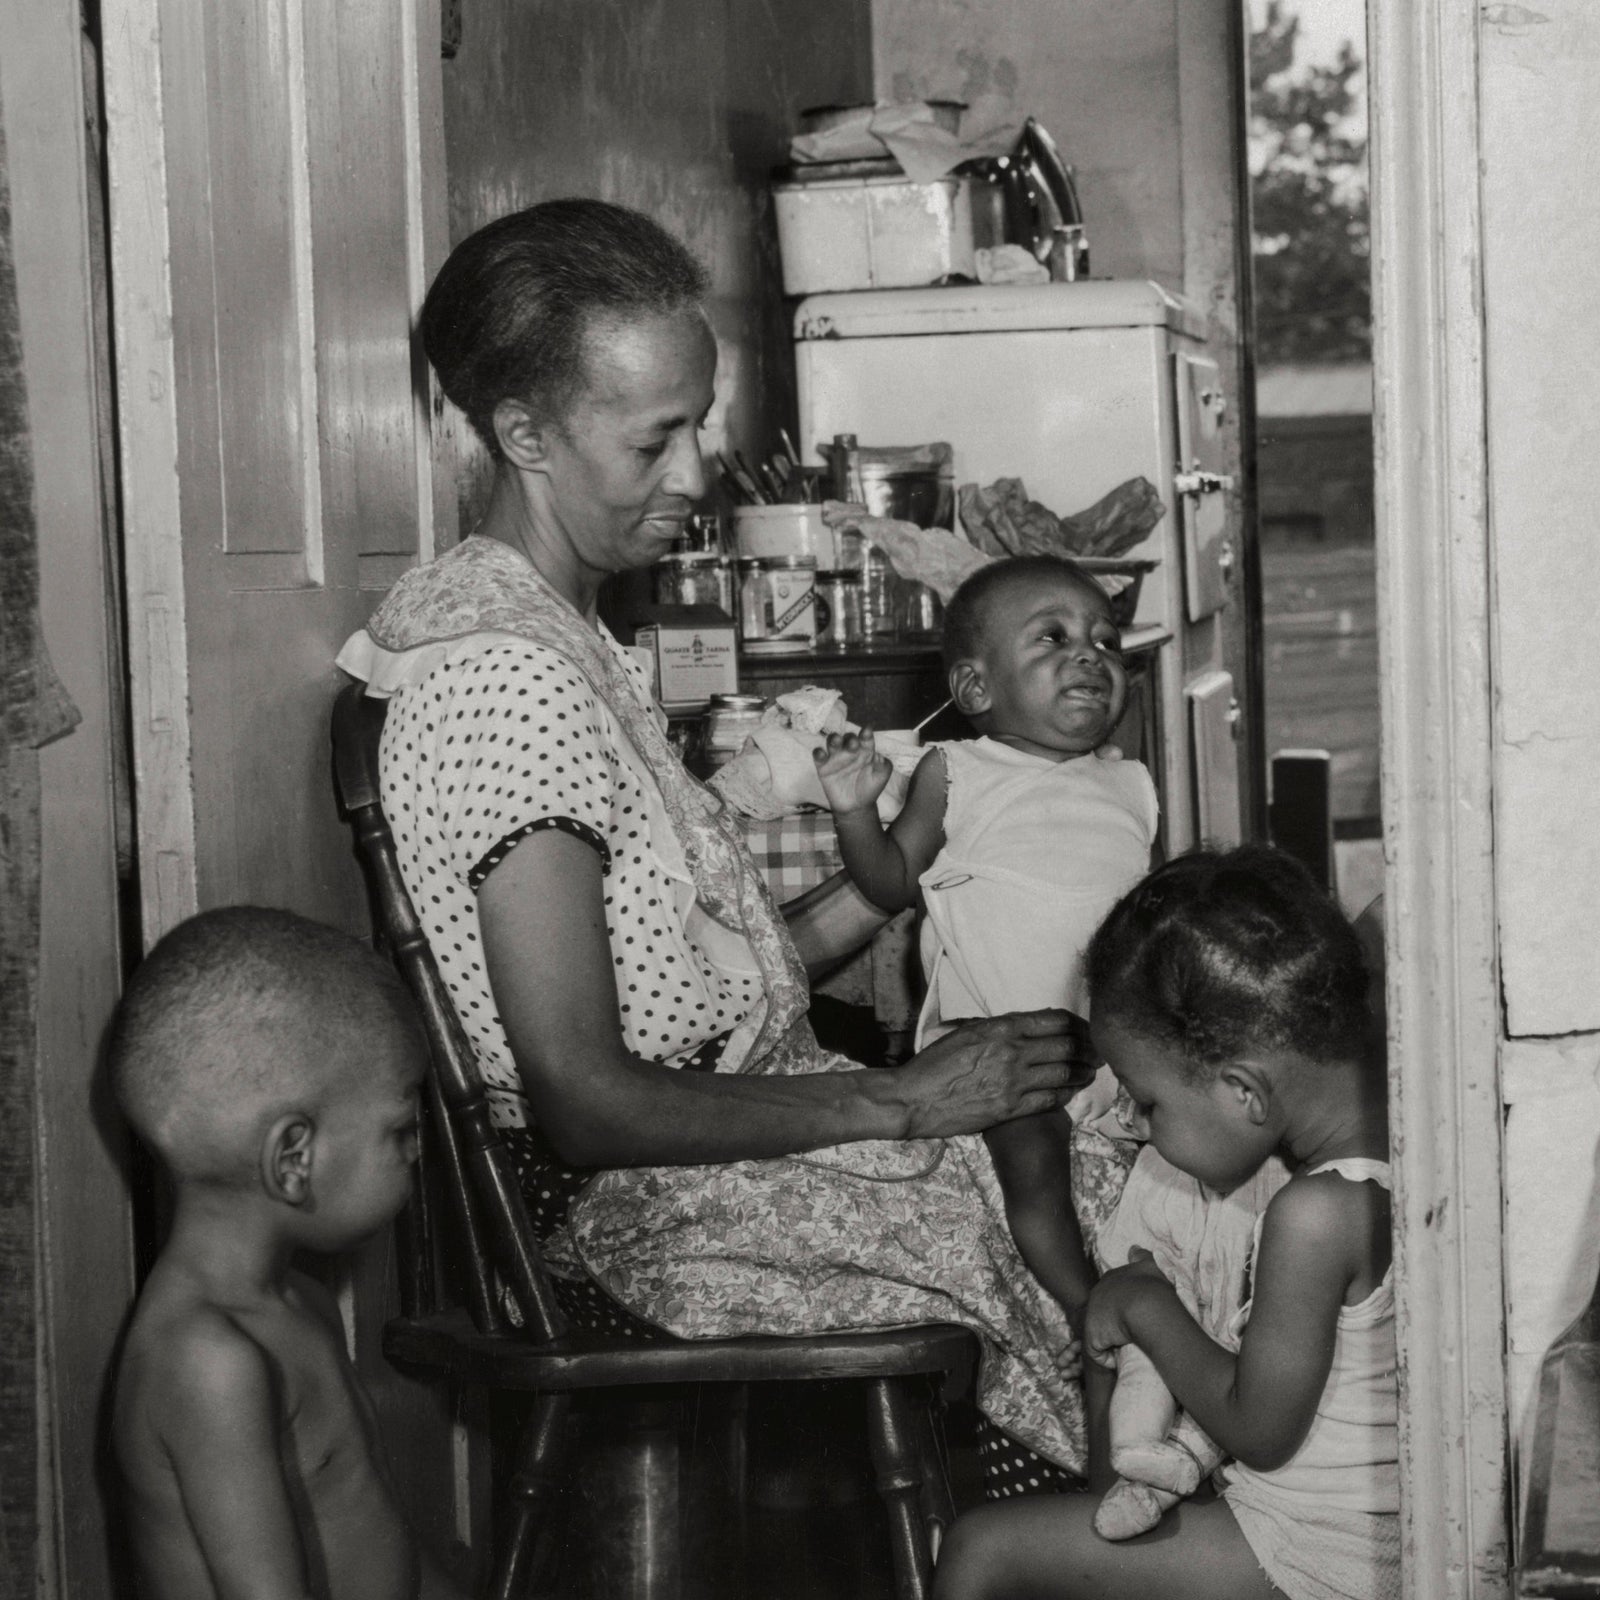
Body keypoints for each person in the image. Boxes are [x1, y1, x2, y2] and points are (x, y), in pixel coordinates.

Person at [334, 198, 1096, 1484]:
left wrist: (885, 890)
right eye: (654, 440)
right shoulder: (502, 681)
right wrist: (903, 1096)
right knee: (1052, 1229)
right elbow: (587, 1098)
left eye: (701, 423)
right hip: (634, 1217)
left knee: (1082, 1139)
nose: (693, 474)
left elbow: (678, 984)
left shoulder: (556, 629)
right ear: (522, 433)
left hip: (706, 1146)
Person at [932, 844, 1397, 1600]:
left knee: (980, 1550)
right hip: (1337, 1531)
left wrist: (1149, 1309)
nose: (1139, 1126)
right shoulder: (1398, 1144)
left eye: (1149, 1103)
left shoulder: (1314, 1213)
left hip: (1321, 1555)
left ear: (1244, 1090)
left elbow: (1259, 1430)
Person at [813, 554, 1159, 1482]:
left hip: (1116, 1050)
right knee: (1034, 1158)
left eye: (1105, 642)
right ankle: (1091, 1307)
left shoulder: (1130, 785)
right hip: (999, 1049)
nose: (1090, 658)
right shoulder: (958, 772)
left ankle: (1162, 1387)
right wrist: (855, 811)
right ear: (974, 686)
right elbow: (890, 882)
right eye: (1053, 639)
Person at [110, 907, 459, 1600]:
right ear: (293, 1158)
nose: (416, 1153)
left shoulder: (301, 1302)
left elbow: (369, 1531)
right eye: (399, 1130)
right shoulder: (208, 1362)